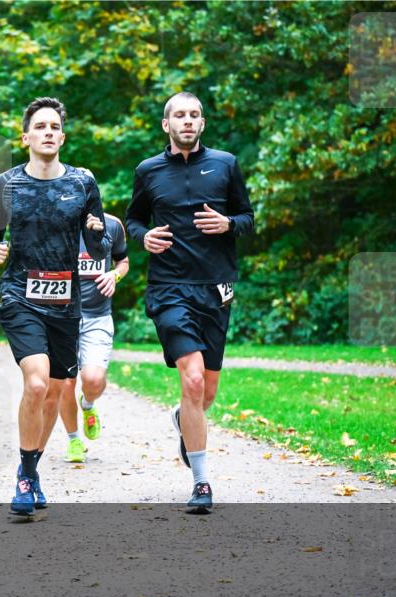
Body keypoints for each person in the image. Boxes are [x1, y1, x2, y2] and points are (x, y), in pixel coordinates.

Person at [125, 91, 255, 513]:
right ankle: (201, 483)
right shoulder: (148, 171)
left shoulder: (226, 164)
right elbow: (132, 220)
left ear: (202, 123)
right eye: (179, 115)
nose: (187, 121)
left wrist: (228, 223)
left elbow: (249, 219)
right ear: (166, 124)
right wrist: (143, 237)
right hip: (168, 287)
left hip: (215, 288)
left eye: (194, 115)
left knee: (207, 391)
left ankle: (185, 421)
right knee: (193, 380)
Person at [0, 96, 109, 516]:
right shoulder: (6, 184)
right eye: (40, 126)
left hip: (66, 301)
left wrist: (95, 233)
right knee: (36, 384)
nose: (48, 132)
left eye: (54, 126)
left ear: (63, 136)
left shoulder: (83, 182)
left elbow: (98, 244)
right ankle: (23, 476)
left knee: (55, 393)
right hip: (19, 295)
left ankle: (30, 470)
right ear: (26, 137)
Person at [59, 212, 129, 463]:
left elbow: (123, 261)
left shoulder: (112, 225)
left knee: (94, 379)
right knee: (65, 382)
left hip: (97, 316)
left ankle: (87, 404)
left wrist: (114, 275)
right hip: (62, 317)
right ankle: (74, 440)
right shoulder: (56, 223)